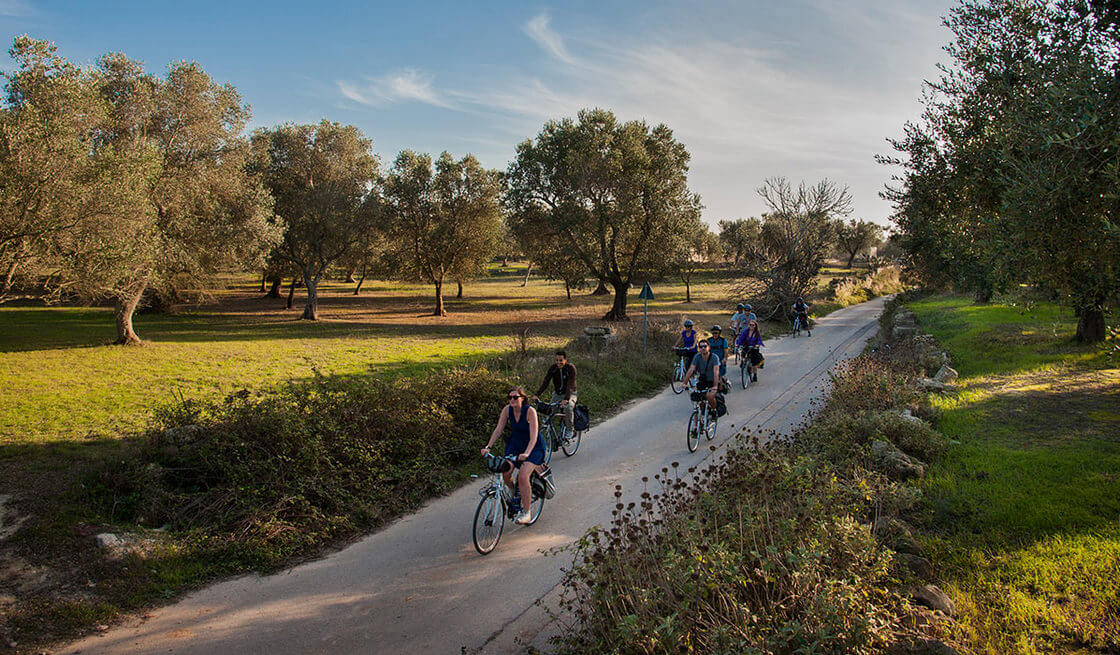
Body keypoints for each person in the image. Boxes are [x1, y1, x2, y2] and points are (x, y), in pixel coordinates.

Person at [480, 386, 544, 524]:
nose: (512, 400)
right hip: (515, 445)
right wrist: (488, 447)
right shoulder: (506, 410)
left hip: (533, 447)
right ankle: (515, 492)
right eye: (510, 397)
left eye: (515, 397)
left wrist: (527, 453)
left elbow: (534, 436)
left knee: (522, 475)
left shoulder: (530, 411)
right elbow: (498, 430)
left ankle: (526, 512)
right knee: (505, 471)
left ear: (523, 398)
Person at [533, 350, 577, 439]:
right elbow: (546, 382)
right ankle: (553, 437)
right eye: (556, 360)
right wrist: (537, 394)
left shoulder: (570, 368)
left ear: (565, 360)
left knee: (568, 408)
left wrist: (566, 398)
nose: (558, 362)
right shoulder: (553, 368)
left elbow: (570, 384)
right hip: (557, 394)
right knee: (550, 412)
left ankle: (569, 430)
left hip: (571, 393)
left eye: (560, 360)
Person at [682, 339, 720, 410]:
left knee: (709, 397)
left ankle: (714, 411)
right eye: (701, 347)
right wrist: (685, 383)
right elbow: (691, 369)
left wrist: (715, 385)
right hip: (702, 381)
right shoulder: (697, 357)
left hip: (712, 381)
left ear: (709, 347)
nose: (703, 348)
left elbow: (716, 372)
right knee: (698, 401)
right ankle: (699, 418)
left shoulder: (714, 357)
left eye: (705, 346)